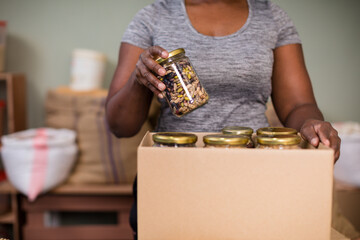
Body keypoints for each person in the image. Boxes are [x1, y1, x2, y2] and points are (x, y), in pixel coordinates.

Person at [105, 0, 355, 239]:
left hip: (254, 176)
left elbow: (298, 105)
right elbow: (120, 126)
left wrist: (310, 123)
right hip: (175, 176)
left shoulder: (272, 17)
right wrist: (139, 80)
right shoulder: (152, 17)